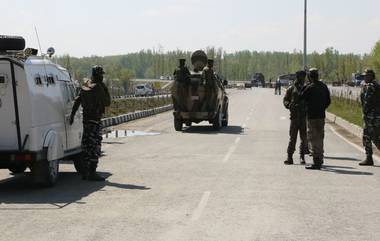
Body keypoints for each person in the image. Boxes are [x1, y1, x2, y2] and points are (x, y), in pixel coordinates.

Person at [70, 65, 111, 181]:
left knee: (86, 147)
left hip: (86, 121)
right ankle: (92, 172)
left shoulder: (85, 85)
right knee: (95, 147)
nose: (102, 76)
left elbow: (77, 100)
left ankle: (85, 172)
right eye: (101, 74)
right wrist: (105, 88)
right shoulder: (98, 87)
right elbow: (107, 102)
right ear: (98, 75)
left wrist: (72, 115)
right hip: (95, 121)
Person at [300, 68, 331, 170]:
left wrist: (305, 86)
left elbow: (301, 96)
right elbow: (328, 101)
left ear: (310, 77)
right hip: (321, 116)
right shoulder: (323, 86)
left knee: (313, 139)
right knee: (320, 138)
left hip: (312, 117)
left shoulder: (309, 87)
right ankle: (320, 158)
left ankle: (316, 161)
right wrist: (322, 108)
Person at [283, 70, 308, 165]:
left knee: (303, 138)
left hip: (303, 117)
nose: (302, 79)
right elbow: (285, 100)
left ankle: (302, 157)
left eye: (303, 77)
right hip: (294, 117)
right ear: (297, 77)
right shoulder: (291, 88)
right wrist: (288, 105)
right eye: (300, 77)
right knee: (292, 138)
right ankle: (289, 157)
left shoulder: (306, 88)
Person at [360, 69, 380, 166]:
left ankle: (369, 158)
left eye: (366, 76)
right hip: (376, 116)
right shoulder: (376, 86)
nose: (364, 77)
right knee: (373, 136)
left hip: (371, 116)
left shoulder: (371, 87)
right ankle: (368, 158)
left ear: (371, 76)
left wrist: (364, 112)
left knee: (370, 136)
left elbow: (367, 101)